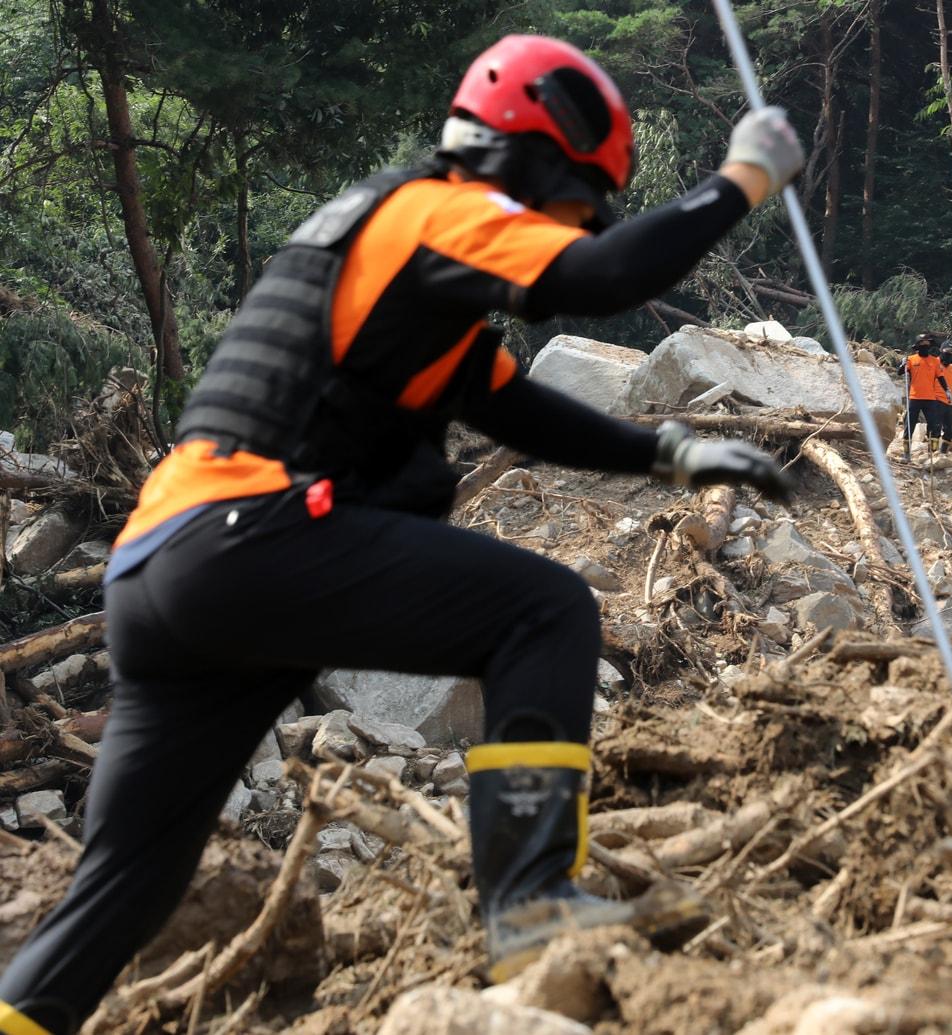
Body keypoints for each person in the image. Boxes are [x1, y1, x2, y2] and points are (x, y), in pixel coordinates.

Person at [0, 34, 804, 1035]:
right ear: (531, 153)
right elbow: (599, 277)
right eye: (562, 207)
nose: (551, 235)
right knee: (543, 609)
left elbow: (523, 411)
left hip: (162, 574)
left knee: (122, 893)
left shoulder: (396, 271)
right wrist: (747, 174)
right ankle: (533, 896)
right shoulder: (439, 210)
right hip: (253, 537)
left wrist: (673, 457)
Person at [904, 332, 952, 455]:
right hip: (915, 397)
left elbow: (941, 377)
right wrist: (902, 365)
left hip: (930, 399)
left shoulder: (935, 361)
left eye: (927, 343)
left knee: (935, 427)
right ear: (917, 345)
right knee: (909, 426)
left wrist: (947, 390)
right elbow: (900, 372)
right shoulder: (911, 359)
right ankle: (906, 453)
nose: (925, 345)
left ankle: (933, 452)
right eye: (922, 343)